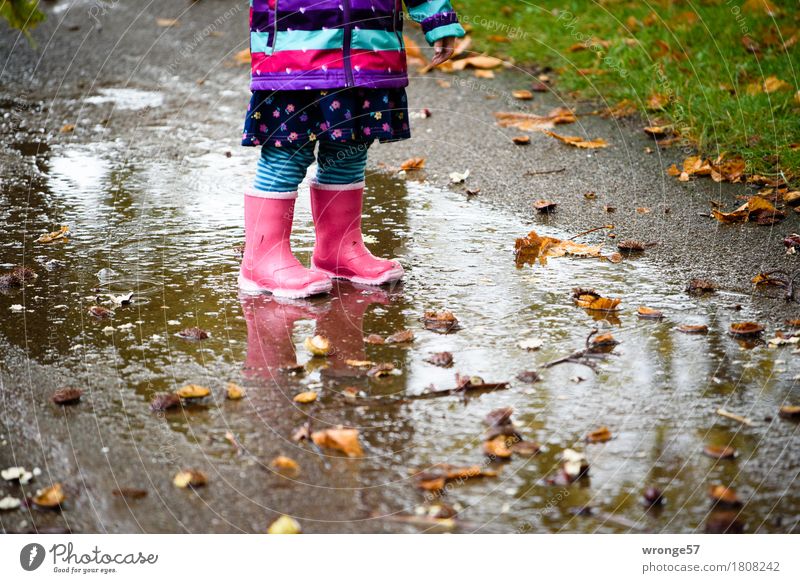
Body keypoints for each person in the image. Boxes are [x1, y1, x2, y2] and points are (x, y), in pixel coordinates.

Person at [238, 0, 465, 298]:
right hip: (294, 51)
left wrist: (438, 19)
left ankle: (339, 250)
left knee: (350, 149)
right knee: (288, 153)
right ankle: (263, 257)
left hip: (370, 51)